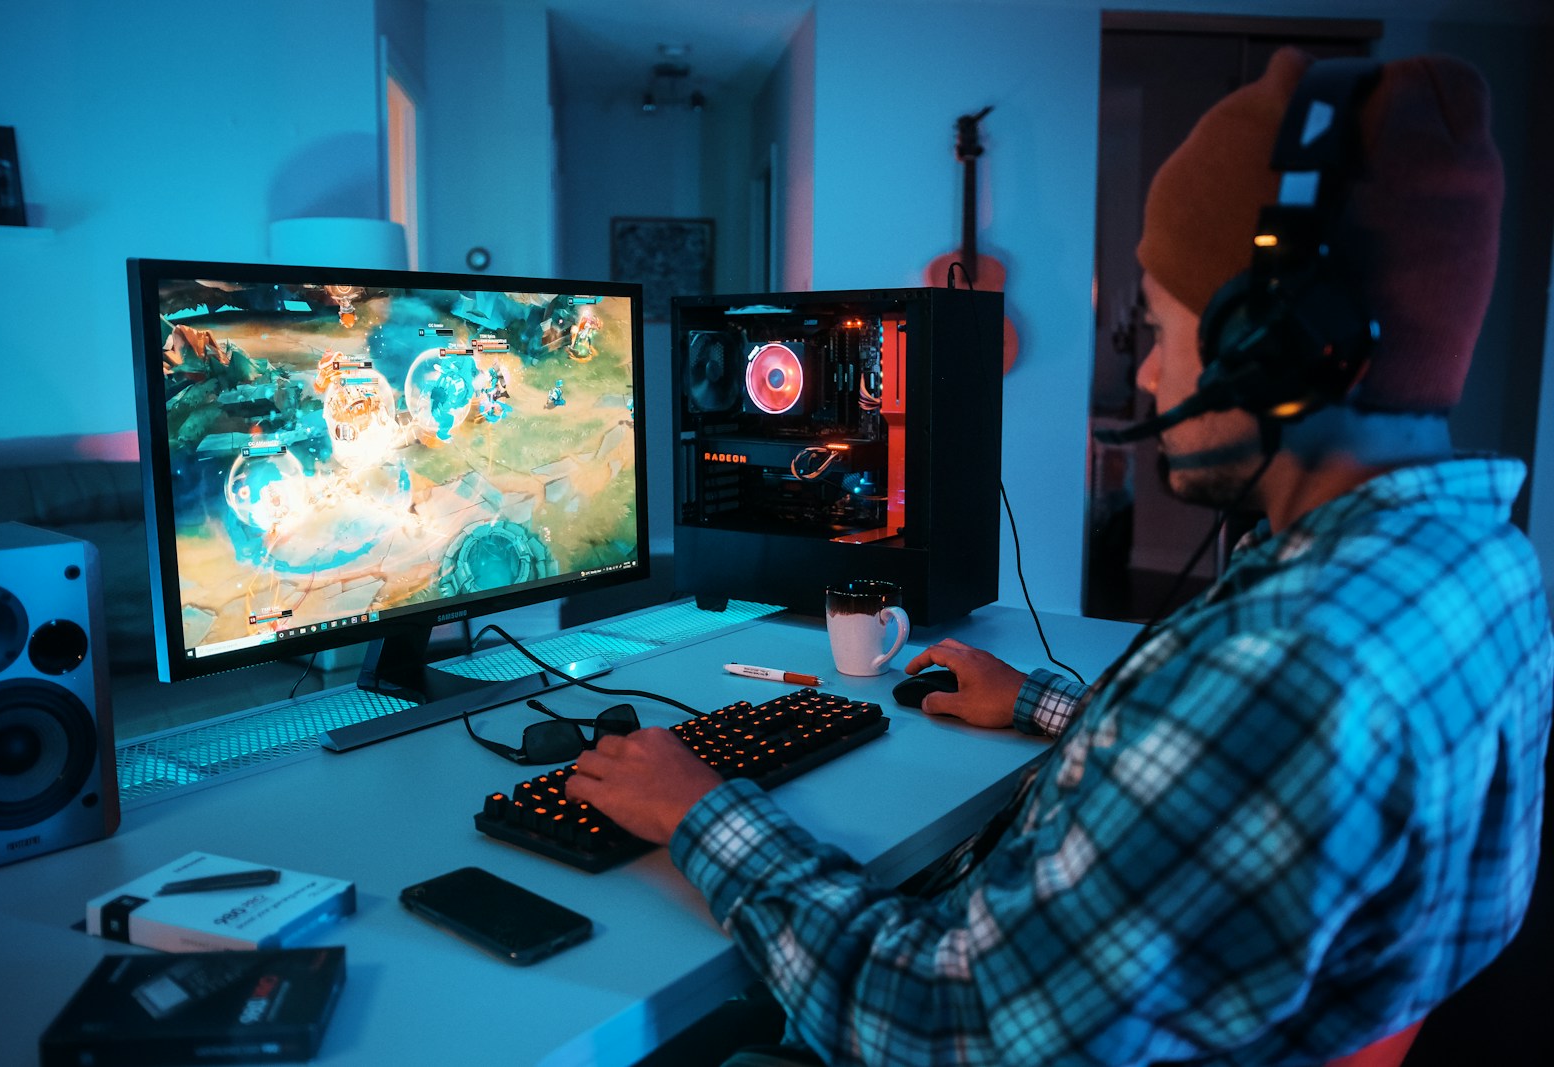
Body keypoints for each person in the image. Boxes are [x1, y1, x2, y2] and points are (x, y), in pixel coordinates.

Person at [566, 48, 1553, 1066]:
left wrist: (700, 809)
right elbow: (1233, 802)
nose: (1153, 376)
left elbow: (950, 1023)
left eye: (1161, 329)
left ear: (1282, 350)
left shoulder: (1288, 661)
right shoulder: (1478, 566)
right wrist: (1045, 704)